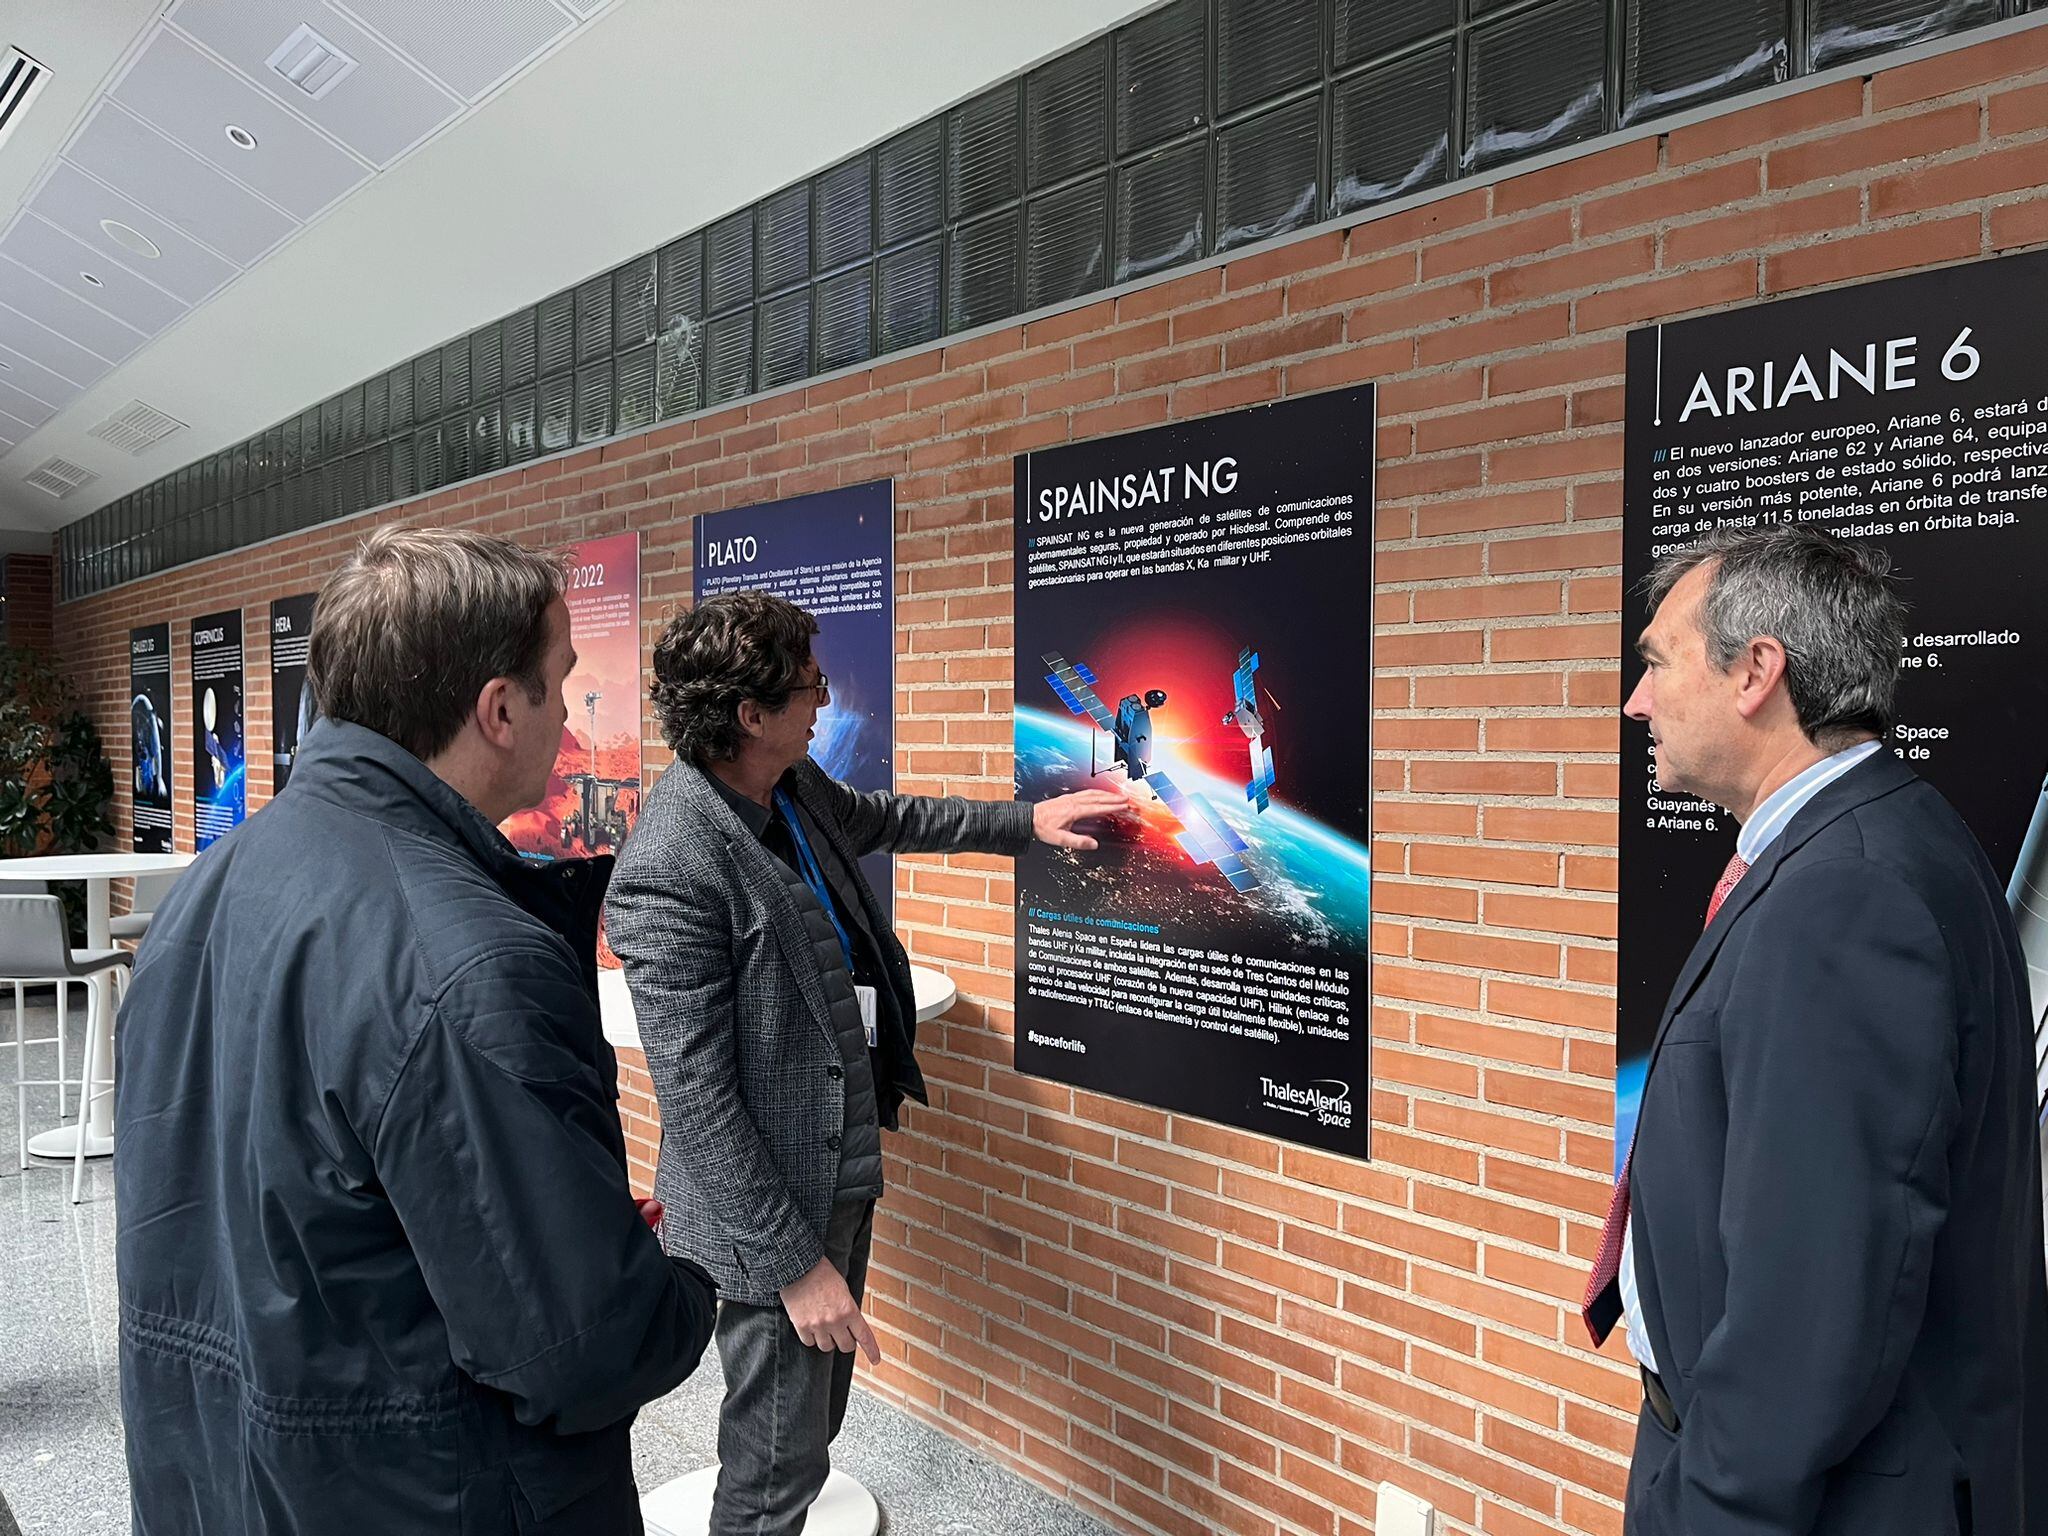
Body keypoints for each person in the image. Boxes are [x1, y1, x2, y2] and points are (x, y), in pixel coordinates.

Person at [116, 527, 718, 1534]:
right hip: (422, 1493)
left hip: (228, 1479)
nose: (567, 715)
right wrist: (681, 1287)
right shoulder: (467, 961)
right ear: (496, 710)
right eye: (557, 685)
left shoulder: (210, 886)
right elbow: (578, 1348)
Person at [605, 590, 1125, 1536]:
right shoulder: (672, 863)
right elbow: (699, 1103)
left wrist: (1026, 824)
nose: (826, 702)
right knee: (770, 1466)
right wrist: (796, 1266)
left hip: (839, 1167)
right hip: (771, 1219)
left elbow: (891, 817)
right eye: (809, 686)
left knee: (812, 1429)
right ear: (749, 715)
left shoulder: (791, 788)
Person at [1587, 525, 2048, 1535]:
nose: (1636, 702)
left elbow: (1814, 1302)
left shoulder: (1848, 895)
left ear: (1755, 672)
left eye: (1656, 663)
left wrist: (1713, 1507)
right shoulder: (1866, 845)